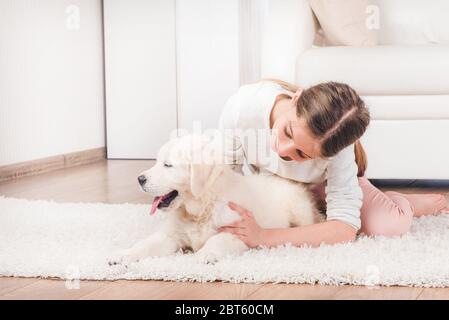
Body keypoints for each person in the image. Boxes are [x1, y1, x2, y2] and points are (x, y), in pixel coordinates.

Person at [217, 79, 448, 248]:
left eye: (302, 153)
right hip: (275, 188)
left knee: (387, 226)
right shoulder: (243, 107)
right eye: (288, 131)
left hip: (320, 190)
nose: (281, 149)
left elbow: (344, 229)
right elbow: (225, 177)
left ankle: (403, 202)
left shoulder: (339, 152)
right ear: (296, 98)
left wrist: (264, 236)